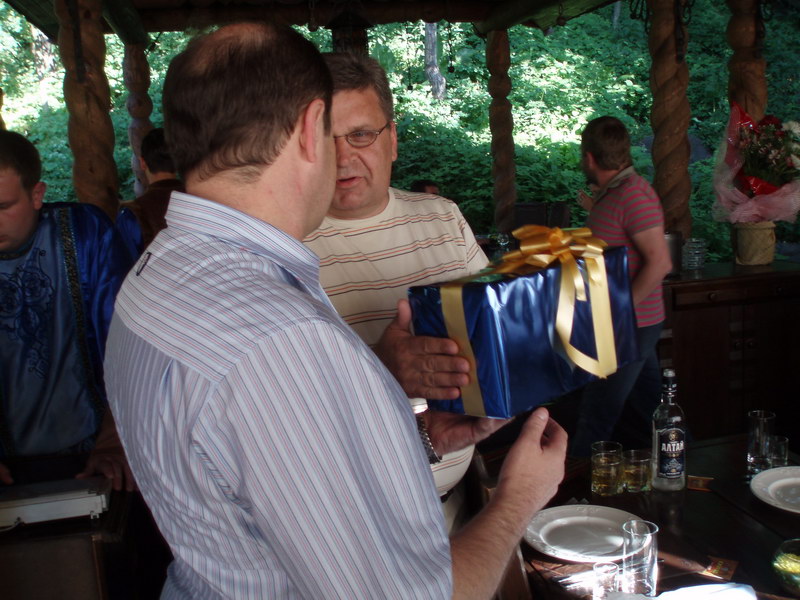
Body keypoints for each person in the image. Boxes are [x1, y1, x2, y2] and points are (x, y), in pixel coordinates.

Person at [104, 23, 567, 599]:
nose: (344, 154)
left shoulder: (156, 275)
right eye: (332, 133)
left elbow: (249, 480)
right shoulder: (283, 338)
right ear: (309, 129)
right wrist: (520, 498)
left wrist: (416, 439)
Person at [304, 53, 490, 524]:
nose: (343, 156)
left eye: (360, 135)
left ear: (392, 140)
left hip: (456, 509)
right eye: (326, 138)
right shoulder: (282, 245)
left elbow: (494, 331)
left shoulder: (443, 217)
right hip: (349, 523)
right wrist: (380, 371)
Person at [0, 130, 135, 490]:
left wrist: (114, 438)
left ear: (37, 195)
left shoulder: (84, 233)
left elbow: (125, 339)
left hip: (96, 448)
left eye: (2, 207)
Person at [570, 116, 672, 456]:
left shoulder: (633, 195)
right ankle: (684, 467)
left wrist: (618, 312)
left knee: (596, 414)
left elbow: (660, 262)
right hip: (628, 322)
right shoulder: (614, 193)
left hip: (629, 324)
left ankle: (574, 484)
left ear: (589, 158)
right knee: (650, 409)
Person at [117, 127, 184, 255]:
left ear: (142, 163)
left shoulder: (133, 214)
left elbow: (126, 262)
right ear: (179, 161)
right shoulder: (200, 199)